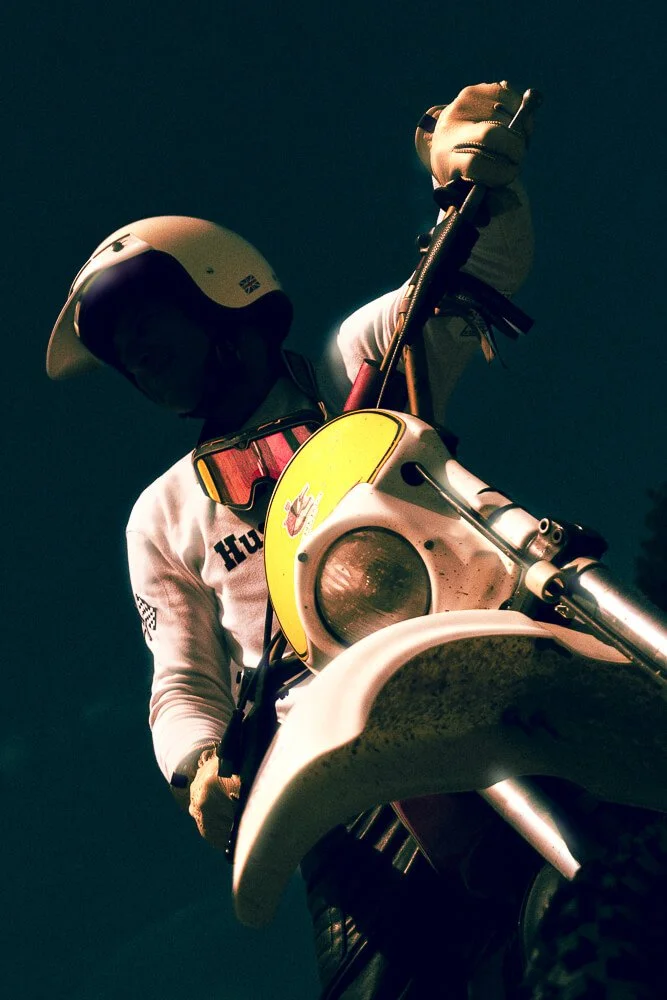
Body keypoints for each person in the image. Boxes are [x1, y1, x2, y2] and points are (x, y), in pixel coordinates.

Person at [47, 82, 536, 997]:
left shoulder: (361, 371)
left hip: (484, 677)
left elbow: (471, 281)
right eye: (122, 352)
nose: (138, 358)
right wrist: (196, 766)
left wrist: (481, 190)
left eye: (147, 326)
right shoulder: (162, 511)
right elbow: (183, 676)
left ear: (222, 299)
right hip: (330, 769)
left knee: (620, 881)